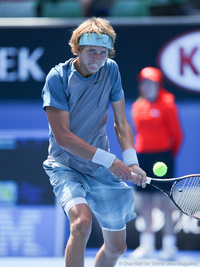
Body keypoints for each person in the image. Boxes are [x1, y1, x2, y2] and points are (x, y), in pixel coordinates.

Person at [41, 17, 146, 267]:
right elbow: (63, 137)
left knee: (117, 247)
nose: (98, 58)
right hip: (65, 166)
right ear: (77, 48)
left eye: (103, 52)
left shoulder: (111, 69)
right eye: (91, 51)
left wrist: (131, 162)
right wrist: (111, 161)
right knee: (81, 223)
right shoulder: (57, 77)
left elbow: (121, 122)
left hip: (99, 168)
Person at [130, 67, 183, 260]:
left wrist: (168, 156)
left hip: (163, 157)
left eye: (151, 82)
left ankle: (170, 246)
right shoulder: (137, 106)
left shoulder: (168, 103)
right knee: (145, 202)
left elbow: (177, 135)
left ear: (158, 84)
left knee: (163, 201)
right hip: (143, 156)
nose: (147, 86)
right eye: (144, 82)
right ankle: (148, 245)